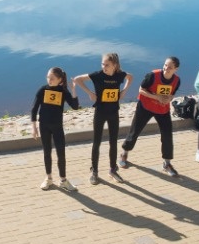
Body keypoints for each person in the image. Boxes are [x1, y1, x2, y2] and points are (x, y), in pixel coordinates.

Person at [74, 54, 132, 185]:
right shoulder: (97, 75)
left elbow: (130, 77)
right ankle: (94, 171)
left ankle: (112, 170)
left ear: (114, 65)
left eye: (107, 65)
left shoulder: (119, 75)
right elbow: (78, 79)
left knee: (113, 142)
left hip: (113, 112)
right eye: (102, 64)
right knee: (97, 142)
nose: (104, 67)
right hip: (100, 112)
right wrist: (90, 93)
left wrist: (124, 91)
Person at [120, 57, 181, 177]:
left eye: (170, 67)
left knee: (167, 136)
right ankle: (124, 153)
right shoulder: (153, 75)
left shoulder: (177, 80)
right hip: (145, 107)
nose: (166, 68)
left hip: (162, 110)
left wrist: (169, 99)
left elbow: (172, 94)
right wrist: (157, 97)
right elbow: (141, 90)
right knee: (135, 131)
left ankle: (167, 164)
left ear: (176, 69)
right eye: (165, 65)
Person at [31, 67, 81, 192]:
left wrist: (73, 89)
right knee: (47, 152)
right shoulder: (43, 90)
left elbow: (75, 106)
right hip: (44, 126)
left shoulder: (63, 91)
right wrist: (34, 128)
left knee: (61, 154)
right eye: (48, 77)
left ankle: (63, 181)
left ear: (59, 79)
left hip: (57, 126)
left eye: (52, 78)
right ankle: (48, 178)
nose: (49, 80)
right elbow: (34, 109)